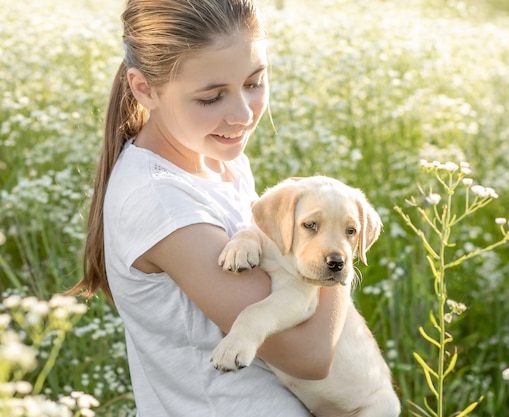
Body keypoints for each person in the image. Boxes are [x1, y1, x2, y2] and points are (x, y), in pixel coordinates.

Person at [69, 1, 351, 416]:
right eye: (212, 97)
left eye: (255, 82)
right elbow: (310, 355)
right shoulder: (162, 202)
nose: (242, 114)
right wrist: (338, 235)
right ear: (145, 88)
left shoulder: (223, 160)